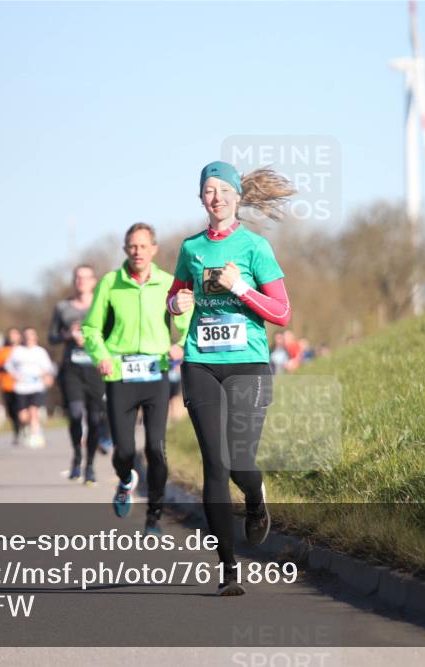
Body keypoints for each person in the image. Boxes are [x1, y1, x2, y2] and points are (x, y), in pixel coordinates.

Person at [167, 162, 294, 595]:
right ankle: (227, 570)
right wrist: (175, 305)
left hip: (248, 366)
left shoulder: (255, 247)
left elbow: (282, 312)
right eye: (209, 190)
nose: (216, 197)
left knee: (240, 462)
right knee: (215, 465)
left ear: (238, 197)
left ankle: (256, 500)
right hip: (200, 363)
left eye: (224, 190)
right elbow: (175, 294)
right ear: (201, 198)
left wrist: (241, 287)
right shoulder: (191, 248)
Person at [83, 223, 190, 534]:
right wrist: (101, 356)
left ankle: (154, 516)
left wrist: (181, 346)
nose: (137, 251)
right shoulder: (110, 283)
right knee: (124, 452)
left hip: (157, 373)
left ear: (154, 249)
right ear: (125, 249)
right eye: (132, 246)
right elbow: (91, 328)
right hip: (120, 374)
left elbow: (187, 324)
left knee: (156, 449)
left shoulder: (168, 283)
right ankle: (126, 479)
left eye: (143, 246)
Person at [49, 265, 109, 483]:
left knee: (94, 418)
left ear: (94, 281)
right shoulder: (62, 307)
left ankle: (90, 465)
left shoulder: (103, 304)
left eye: (85, 277)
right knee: (75, 413)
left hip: (96, 368)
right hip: (71, 368)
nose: (81, 281)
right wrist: (68, 335)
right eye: (77, 277)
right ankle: (77, 455)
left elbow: (113, 332)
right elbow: (52, 337)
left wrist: (92, 338)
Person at [7, 327, 54, 448]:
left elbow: (48, 368)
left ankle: (35, 434)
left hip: (36, 386)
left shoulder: (40, 351)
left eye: (31, 335)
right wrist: (15, 375)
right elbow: (8, 366)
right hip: (22, 387)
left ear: (35, 337)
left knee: (34, 410)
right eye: (26, 335)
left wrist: (46, 376)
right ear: (23, 337)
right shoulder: (17, 351)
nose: (29, 337)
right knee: (23, 416)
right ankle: (30, 427)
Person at [0, 327, 23, 445]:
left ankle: (25, 428)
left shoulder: (23, 350)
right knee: (12, 411)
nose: (12, 337)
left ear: (19, 336)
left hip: (23, 386)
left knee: (22, 410)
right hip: (7, 385)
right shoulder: (3, 351)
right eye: (10, 335)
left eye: (15, 334)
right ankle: (17, 431)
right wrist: (4, 368)